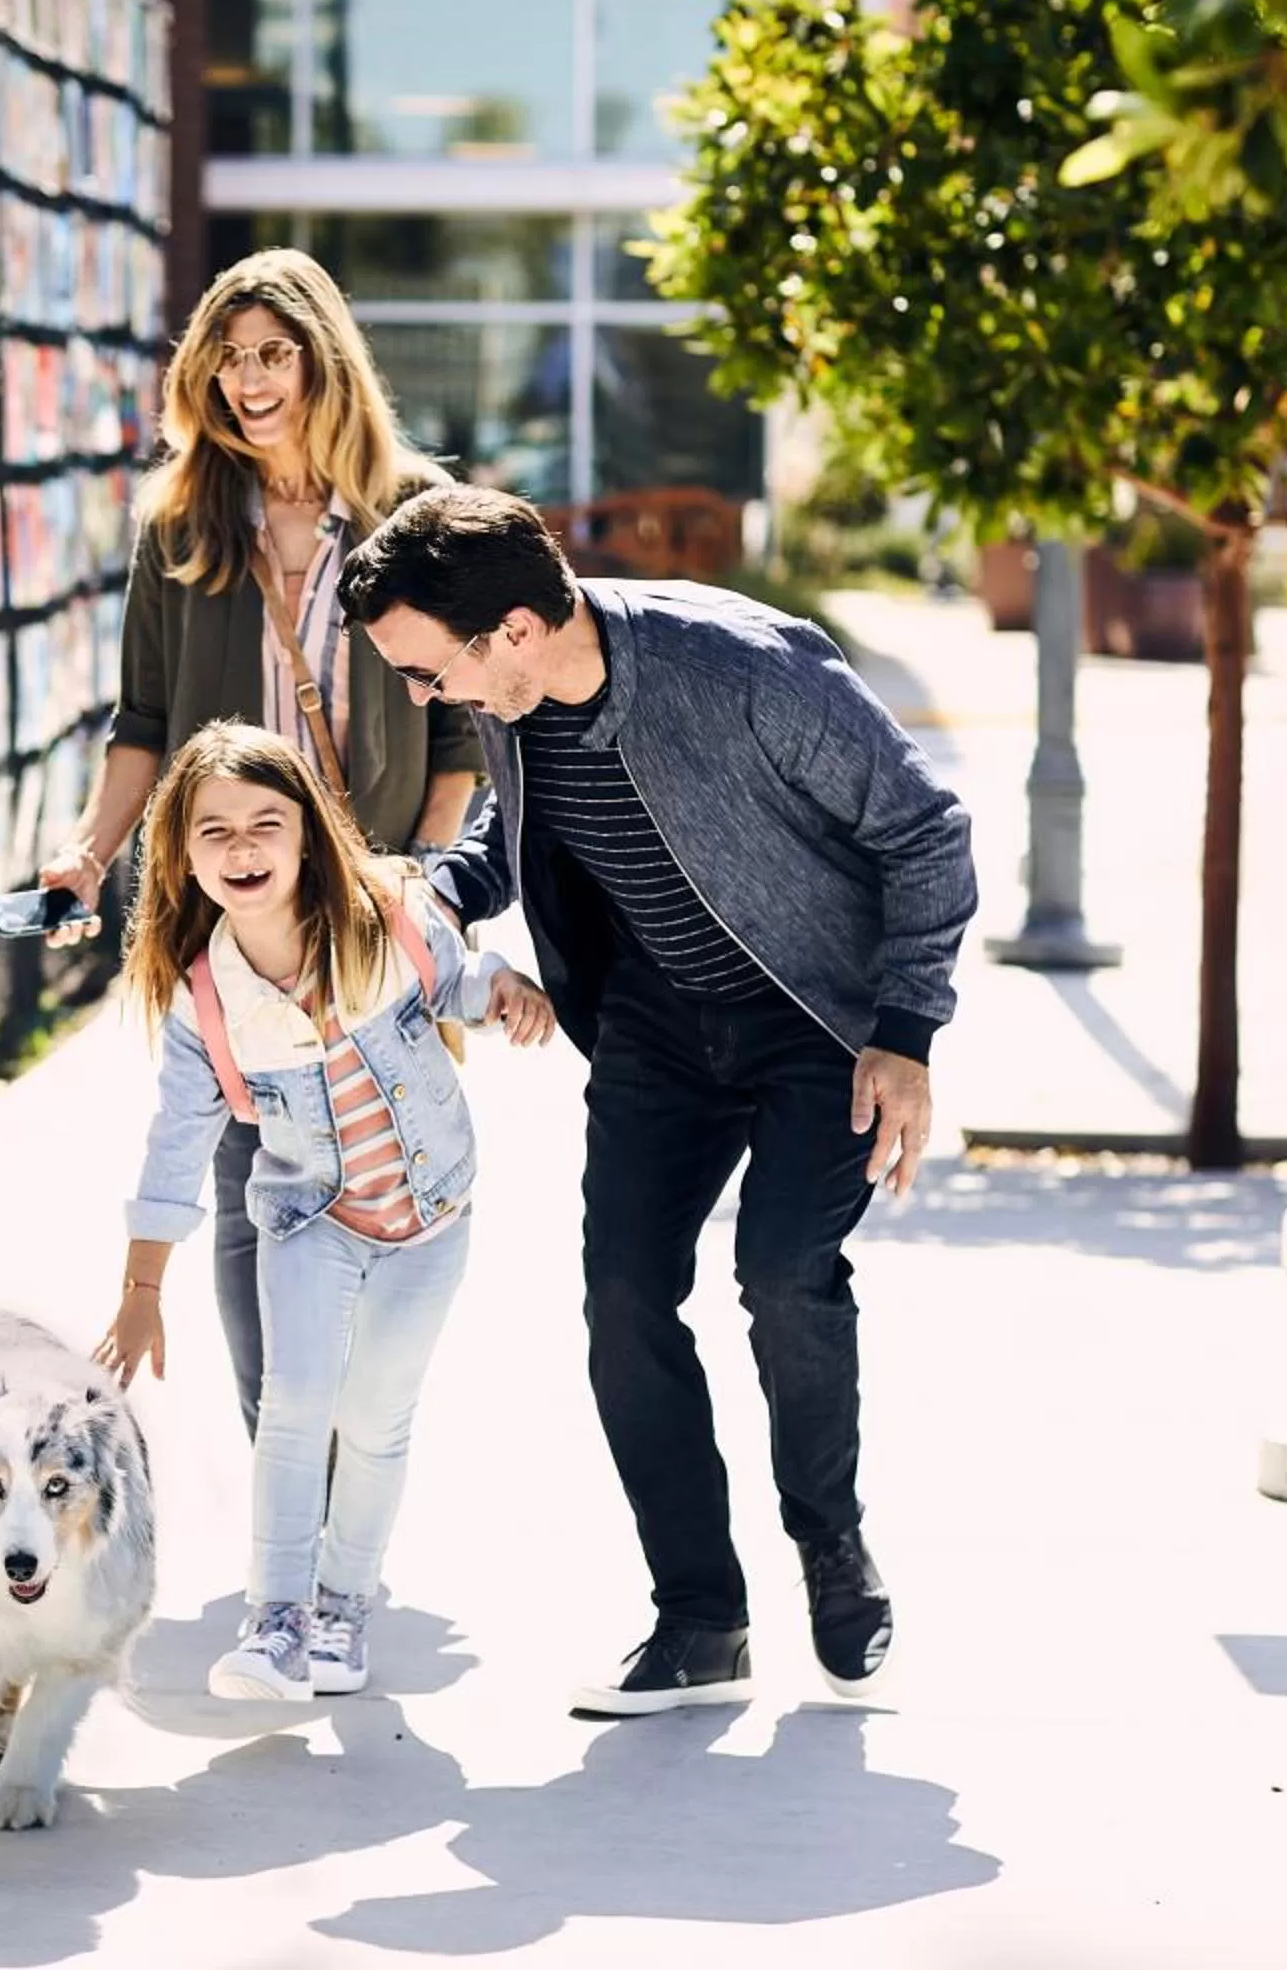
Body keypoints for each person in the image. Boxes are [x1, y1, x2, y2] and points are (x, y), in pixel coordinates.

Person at [338, 483, 979, 1718]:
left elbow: (925, 834)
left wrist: (907, 1033)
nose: (426, 700)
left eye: (428, 673)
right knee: (625, 1294)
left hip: (817, 1023)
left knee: (786, 1275)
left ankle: (830, 1545)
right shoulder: (513, 695)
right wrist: (426, 897)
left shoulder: (744, 668)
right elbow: (512, 844)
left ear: (512, 632)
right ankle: (700, 1618)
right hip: (655, 1027)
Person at [40, 247, 488, 1444]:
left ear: (321, 361)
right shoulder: (183, 524)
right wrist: (89, 854)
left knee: (376, 1167)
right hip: (236, 904)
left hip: (373, 907)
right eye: (228, 357)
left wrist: (421, 891)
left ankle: (357, 1428)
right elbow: (143, 722)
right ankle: (286, 1448)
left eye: (272, 353)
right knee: (252, 1175)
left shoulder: (412, 511)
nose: (248, 379)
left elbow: (459, 738)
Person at [95, 723, 553, 1701]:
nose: (243, 847)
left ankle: (343, 1611)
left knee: (375, 1418)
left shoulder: (387, 911)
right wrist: (142, 1288)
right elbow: (176, 1144)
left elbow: (455, 982)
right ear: (180, 849)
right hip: (308, 1219)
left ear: (308, 833)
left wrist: (504, 987)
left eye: (267, 822)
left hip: (429, 1218)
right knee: (295, 1413)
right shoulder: (207, 998)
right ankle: (277, 1621)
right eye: (215, 830)